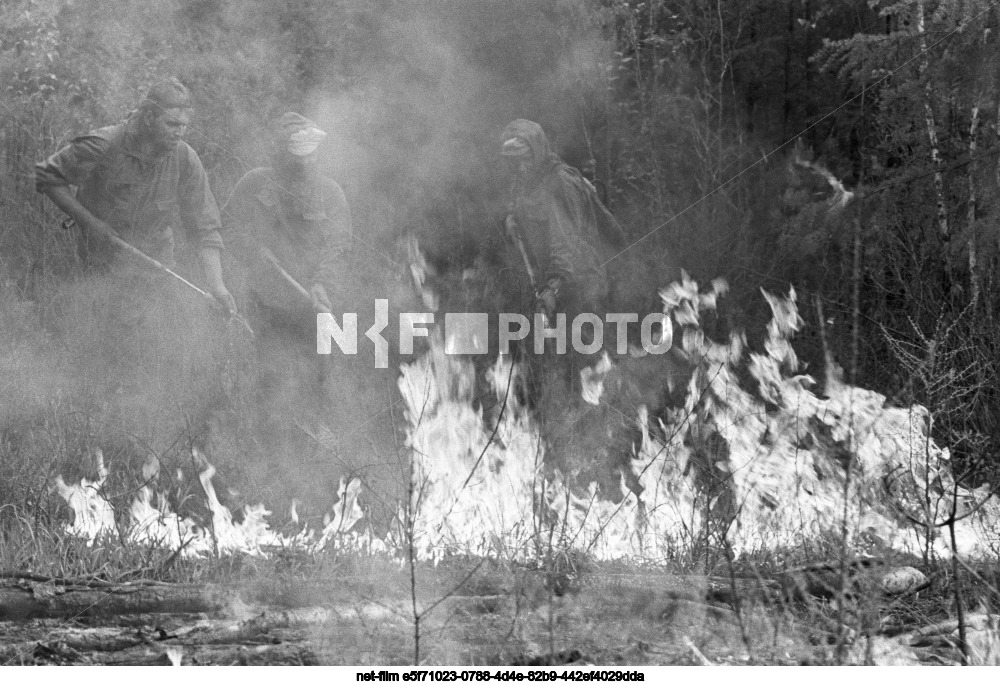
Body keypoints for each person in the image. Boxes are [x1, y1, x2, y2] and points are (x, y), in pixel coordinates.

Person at [34, 77, 237, 455]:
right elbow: (47, 177)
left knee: (166, 341)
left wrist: (217, 285)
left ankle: (161, 428)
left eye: (183, 126)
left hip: (157, 262)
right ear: (147, 119)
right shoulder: (103, 145)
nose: (178, 134)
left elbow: (204, 226)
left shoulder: (184, 158)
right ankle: (103, 432)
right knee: (111, 345)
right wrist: (91, 222)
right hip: (102, 266)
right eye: (170, 125)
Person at [221, 112, 352, 479]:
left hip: (316, 303)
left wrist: (323, 282)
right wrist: (253, 251)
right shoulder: (254, 184)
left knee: (318, 375)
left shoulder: (330, 192)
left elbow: (339, 244)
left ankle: (317, 453)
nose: (307, 159)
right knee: (270, 375)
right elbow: (229, 228)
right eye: (299, 151)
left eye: (312, 151)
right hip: (268, 300)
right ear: (280, 151)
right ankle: (272, 457)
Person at [500, 118, 625, 324]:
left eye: (526, 159)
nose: (521, 167)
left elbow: (567, 244)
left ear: (538, 151)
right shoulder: (526, 181)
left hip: (581, 283)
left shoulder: (560, 183)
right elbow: (517, 202)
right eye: (515, 162)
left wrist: (553, 289)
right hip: (551, 280)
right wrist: (512, 217)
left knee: (584, 347)